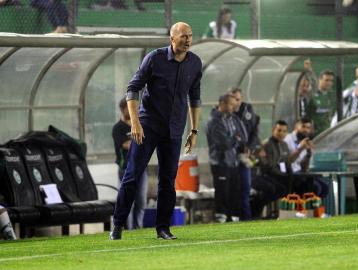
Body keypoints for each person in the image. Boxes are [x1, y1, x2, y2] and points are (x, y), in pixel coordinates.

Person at [109, 22, 202, 240]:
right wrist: (135, 123)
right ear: (172, 38)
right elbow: (132, 90)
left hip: (174, 131)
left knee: (168, 181)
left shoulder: (195, 63)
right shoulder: (155, 58)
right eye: (183, 36)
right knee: (132, 176)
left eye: (190, 36)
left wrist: (194, 130)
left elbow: (195, 99)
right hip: (147, 127)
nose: (187, 40)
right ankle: (118, 226)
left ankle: (163, 229)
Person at [206, 94, 245, 223]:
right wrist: (235, 139)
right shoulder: (214, 120)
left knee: (234, 190)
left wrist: (235, 139)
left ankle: (233, 216)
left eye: (235, 105)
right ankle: (220, 216)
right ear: (222, 104)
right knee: (223, 191)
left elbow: (243, 136)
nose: (234, 108)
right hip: (220, 162)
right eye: (231, 105)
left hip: (233, 161)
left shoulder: (233, 119)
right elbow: (223, 144)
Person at [112, 97, 148, 230]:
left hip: (141, 169)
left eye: (136, 108)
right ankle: (127, 229)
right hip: (126, 169)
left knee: (141, 202)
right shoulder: (118, 128)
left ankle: (138, 229)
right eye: (131, 108)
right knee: (128, 201)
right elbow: (128, 145)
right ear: (123, 109)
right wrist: (138, 141)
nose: (135, 111)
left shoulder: (139, 126)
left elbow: (146, 142)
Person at [229, 87, 260, 221]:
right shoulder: (223, 113)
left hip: (244, 157)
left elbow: (255, 132)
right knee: (232, 191)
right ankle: (231, 219)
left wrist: (250, 147)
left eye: (238, 99)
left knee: (245, 189)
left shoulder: (248, 110)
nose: (236, 103)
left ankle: (246, 219)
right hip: (229, 159)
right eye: (233, 99)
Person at [284, 118, 329, 198]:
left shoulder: (304, 141)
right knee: (315, 188)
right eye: (303, 126)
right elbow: (288, 161)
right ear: (296, 126)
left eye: (308, 128)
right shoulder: (287, 139)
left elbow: (304, 168)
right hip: (289, 175)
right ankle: (304, 208)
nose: (305, 130)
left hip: (300, 174)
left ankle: (313, 209)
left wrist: (308, 154)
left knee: (325, 188)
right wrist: (300, 149)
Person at [306, 70, 336, 136]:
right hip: (313, 134)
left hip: (327, 133)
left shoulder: (332, 96)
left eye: (331, 81)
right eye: (327, 80)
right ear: (320, 80)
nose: (329, 83)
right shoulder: (311, 94)